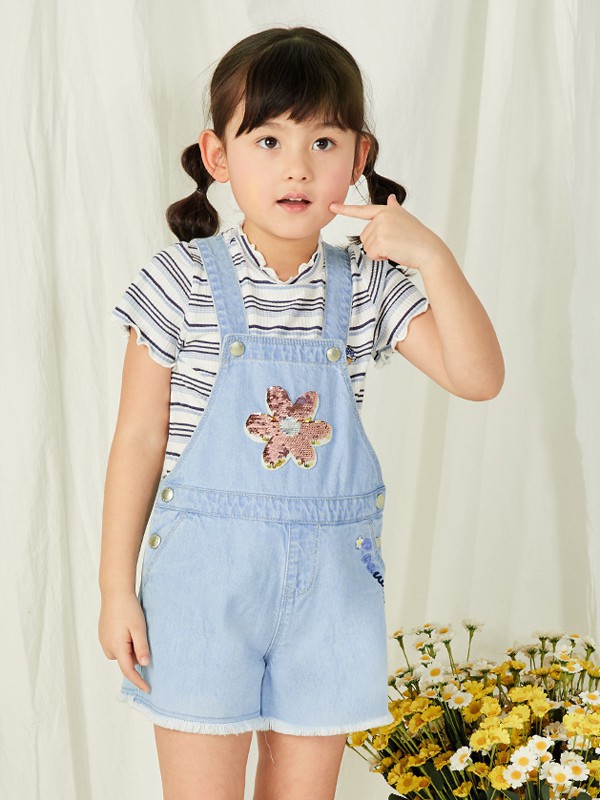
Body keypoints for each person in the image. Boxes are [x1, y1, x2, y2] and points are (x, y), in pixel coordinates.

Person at [98, 24, 504, 800]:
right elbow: (139, 438)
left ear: (359, 157)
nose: (297, 166)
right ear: (218, 155)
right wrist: (116, 587)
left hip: (331, 600)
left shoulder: (367, 285)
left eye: (323, 142)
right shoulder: (178, 280)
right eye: (269, 140)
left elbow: (479, 378)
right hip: (201, 591)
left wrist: (431, 256)